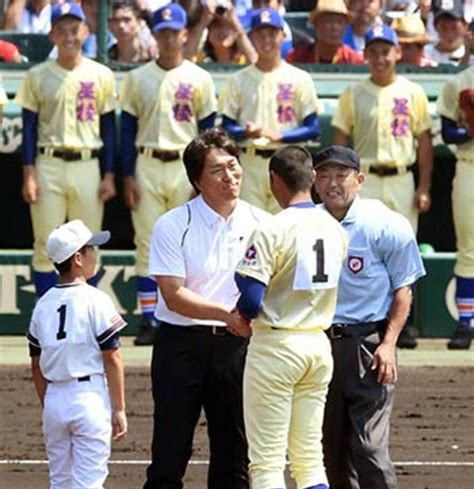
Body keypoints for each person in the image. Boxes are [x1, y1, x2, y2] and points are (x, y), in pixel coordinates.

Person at [142, 128, 268, 489]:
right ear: (197, 179)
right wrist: (225, 314)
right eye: (217, 170)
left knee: (234, 450)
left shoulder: (259, 221)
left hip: (237, 348)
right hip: (181, 345)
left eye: (234, 165)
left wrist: (241, 322)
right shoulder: (173, 223)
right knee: (170, 450)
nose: (230, 175)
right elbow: (173, 296)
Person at [233, 146, 347, 489]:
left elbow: (249, 299)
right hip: (318, 343)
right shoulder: (334, 228)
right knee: (309, 458)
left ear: (275, 181)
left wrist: (241, 314)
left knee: (266, 462)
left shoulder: (271, 225)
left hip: (276, 344)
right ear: (313, 180)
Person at [313, 145, 425, 489]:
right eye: (324, 174)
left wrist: (390, 342)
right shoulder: (306, 223)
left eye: (342, 174)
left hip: (368, 343)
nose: (333, 182)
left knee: (369, 446)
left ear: (359, 180)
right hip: (319, 344)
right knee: (331, 449)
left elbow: (404, 289)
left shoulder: (385, 223)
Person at [26, 219, 127, 489]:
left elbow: (35, 365)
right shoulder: (97, 299)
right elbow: (113, 356)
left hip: (55, 398)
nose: (95, 253)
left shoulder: (43, 305)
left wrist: (50, 403)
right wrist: (119, 407)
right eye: (91, 249)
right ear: (79, 259)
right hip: (89, 399)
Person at [120, 2, 217, 345]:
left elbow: (208, 135)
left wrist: (202, 177)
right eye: (162, 32)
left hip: (184, 164)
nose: (169, 38)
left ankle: (184, 314)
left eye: (174, 32)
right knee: (146, 241)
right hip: (147, 161)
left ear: (185, 34)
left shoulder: (200, 78)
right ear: (155, 36)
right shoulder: (136, 77)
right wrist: (127, 175)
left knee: (188, 242)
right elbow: (127, 130)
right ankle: (150, 319)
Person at [332, 24, 432, 349]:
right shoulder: (353, 92)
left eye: (385, 50)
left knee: (403, 250)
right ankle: (365, 318)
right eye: (373, 51)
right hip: (365, 178)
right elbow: (340, 141)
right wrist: (339, 181)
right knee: (358, 248)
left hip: (402, 175)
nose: (380, 57)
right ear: (365, 55)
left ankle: (403, 324)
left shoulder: (412, 91)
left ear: (398, 52)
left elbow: (425, 142)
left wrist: (425, 186)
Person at [14, 2, 118, 299]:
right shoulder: (37, 75)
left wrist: (109, 174)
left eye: (75, 29)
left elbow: (109, 128)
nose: (69, 36)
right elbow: (29, 128)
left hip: (88, 162)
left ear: (86, 31)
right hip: (49, 162)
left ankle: (87, 312)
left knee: (88, 242)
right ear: (52, 35)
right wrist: (29, 174)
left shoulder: (101, 74)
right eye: (62, 30)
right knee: (46, 242)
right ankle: (48, 311)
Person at [219, 8, 323, 214]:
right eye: (261, 33)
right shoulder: (237, 79)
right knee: (252, 231)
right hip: (251, 160)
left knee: (287, 229)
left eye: (272, 33)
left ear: (283, 35)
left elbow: (313, 128)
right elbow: (226, 128)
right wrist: (245, 133)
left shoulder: (300, 78)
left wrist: (279, 135)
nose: (267, 39)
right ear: (252, 36)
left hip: (288, 161)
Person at [437, 66, 474, 349]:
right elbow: (448, 133)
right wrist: (470, 129)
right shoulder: (459, 82)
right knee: (469, 247)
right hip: (469, 166)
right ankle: (465, 322)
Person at [287, 0, 364, 65]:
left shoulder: (354, 60)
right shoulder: (297, 57)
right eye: (328, 21)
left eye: (340, 22)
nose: (334, 27)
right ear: (316, 25)